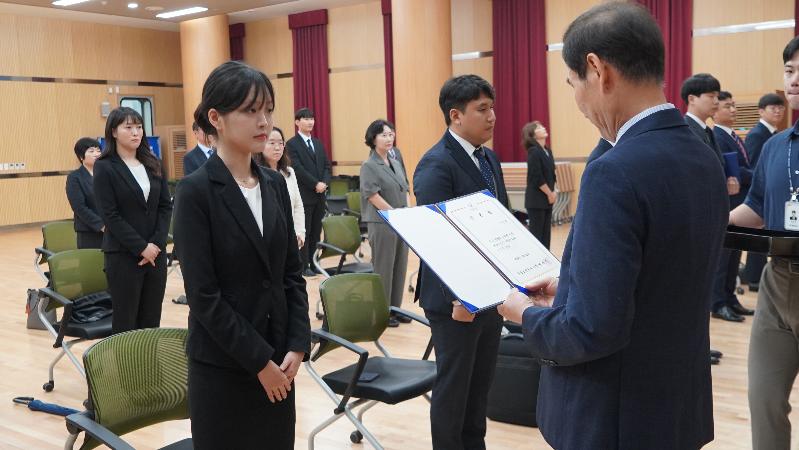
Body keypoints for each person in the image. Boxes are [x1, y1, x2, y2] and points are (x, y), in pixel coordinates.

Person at [499, 3, 728, 449]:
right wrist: (570, 285)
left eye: (572, 85)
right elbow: (660, 274)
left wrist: (523, 313)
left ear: (597, 70)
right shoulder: (702, 154)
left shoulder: (614, 169)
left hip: (614, 418)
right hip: (675, 405)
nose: (578, 103)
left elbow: (591, 331)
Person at [173, 61, 311, 450]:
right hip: (225, 368)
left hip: (280, 365)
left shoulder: (273, 183)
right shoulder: (195, 192)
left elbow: (290, 275)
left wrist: (297, 343)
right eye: (250, 111)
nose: (263, 121)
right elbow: (204, 296)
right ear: (215, 117)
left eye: (267, 110)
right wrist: (259, 363)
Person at [413, 74, 509, 449]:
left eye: (492, 108)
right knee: (454, 391)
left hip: (493, 294)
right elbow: (437, 242)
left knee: (479, 389)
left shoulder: (489, 158)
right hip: (456, 302)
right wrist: (462, 296)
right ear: (455, 116)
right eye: (481, 109)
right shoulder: (436, 164)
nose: (492, 117)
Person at [729, 36, 799, 450]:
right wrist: (708, 222)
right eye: (790, 70)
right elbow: (755, 209)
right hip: (778, 284)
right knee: (765, 400)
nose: (794, 79)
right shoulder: (776, 146)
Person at [93, 107, 172, 334]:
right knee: (126, 322)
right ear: (114, 132)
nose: (136, 132)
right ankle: (124, 370)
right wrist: (141, 247)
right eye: (128, 127)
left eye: (138, 127)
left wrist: (155, 245)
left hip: (155, 255)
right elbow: (110, 215)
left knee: (151, 320)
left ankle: (146, 368)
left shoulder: (153, 163)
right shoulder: (105, 167)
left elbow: (165, 206)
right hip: (123, 256)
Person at [359, 119, 410, 328]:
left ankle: (394, 309)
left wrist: (408, 213)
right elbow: (372, 195)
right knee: (384, 268)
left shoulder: (395, 159)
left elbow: (405, 188)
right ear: (373, 139)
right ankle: (382, 312)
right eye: (383, 135)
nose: (389, 138)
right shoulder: (369, 165)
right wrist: (395, 214)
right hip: (382, 223)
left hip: (400, 221)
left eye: (391, 134)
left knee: (399, 266)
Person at [711, 91, 755, 322]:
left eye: (734, 105)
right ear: (715, 111)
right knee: (723, 256)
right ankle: (718, 302)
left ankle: (730, 298)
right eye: (727, 106)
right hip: (729, 204)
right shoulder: (718, 136)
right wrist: (757, 174)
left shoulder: (733, 135)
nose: (733, 110)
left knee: (734, 255)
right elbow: (732, 170)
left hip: (740, 203)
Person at [741, 93, 786, 291]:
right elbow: (752, 166)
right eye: (772, 108)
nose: (778, 111)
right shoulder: (758, 134)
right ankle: (752, 277)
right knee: (756, 238)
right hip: (756, 195)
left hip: (767, 195)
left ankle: (753, 276)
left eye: (780, 108)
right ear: (761, 111)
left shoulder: (774, 134)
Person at [285, 108, 331, 277]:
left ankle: (313, 261)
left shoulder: (318, 143)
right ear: (297, 122)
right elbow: (297, 168)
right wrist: (315, 184)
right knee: (305, 230)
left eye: (312, 118)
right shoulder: (291, 144)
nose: (310, 122)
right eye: (305, 119)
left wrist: (324, 183)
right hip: (305, 194)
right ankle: (303, 265)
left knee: (316, 231)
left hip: (320, 195)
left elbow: (327, 165)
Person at [254, 126, 306, 249]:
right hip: (266, 240)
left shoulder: (289, 172)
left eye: (280, 143)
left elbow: (298, 205)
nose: (277, 148)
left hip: (291, 237)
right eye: (271, 143)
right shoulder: (254, 173)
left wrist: (300, 232)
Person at [522, 121, 556, 249]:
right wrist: (549, 193)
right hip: (536, 200)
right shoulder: (533, 151)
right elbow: (536, 177)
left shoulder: (547, 150)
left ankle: (547, 263)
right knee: (537, 237)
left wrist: (555, 191)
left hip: (548, 198)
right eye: (539, 127)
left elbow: (552, 174)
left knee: (546, 236)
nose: (543, 128)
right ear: (533, 134)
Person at [65, 137, 104, 249]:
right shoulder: (75, 177)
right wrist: (102, 225)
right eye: (91, 151)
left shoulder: (105, 174)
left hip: (112, 228)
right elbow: (79, 207)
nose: (96, 154)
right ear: (81, 156)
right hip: (89, 232)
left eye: (98, 150)